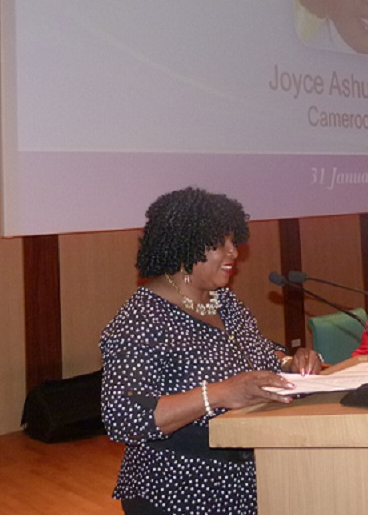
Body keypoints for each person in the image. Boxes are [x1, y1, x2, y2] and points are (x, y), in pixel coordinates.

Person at [100, 187, 322, 515]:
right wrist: (218, 394)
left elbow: (260, 354)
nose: (234, 252)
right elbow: (124, 417)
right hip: (177, 489)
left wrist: (291, 362)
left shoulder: (225, 302)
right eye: (220, 244)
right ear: (184, 246)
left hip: (244, 480)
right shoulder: (142, 318)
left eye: (234, 241)